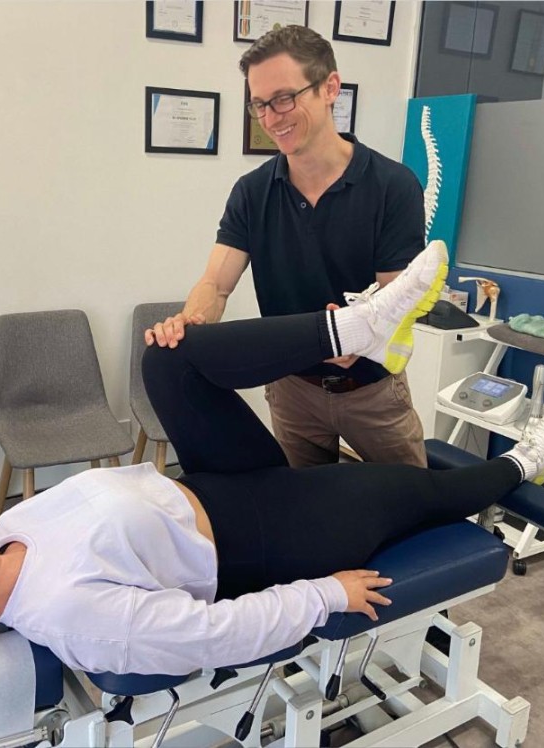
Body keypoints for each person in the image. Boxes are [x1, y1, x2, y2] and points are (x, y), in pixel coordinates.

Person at [0, 243, 544, 674]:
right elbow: (214, 636)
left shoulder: (10, 533)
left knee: (166, 360)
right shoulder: (71, 615)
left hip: (212, 480)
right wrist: (324, 595)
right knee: (414, 490)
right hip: (263, 537)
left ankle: (353, 328)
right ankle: (528, 460)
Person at [147, 25, 429, 469]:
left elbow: (398, 301)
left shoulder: (393, 187)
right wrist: (189, 323)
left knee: (411, 514)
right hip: (293, 391)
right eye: (260, 104)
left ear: (330, 87)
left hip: (373, 393)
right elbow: (216, 285)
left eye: (284, 98)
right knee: (302, 518)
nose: (272, 117)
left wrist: (362, 332)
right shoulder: (252, 192)